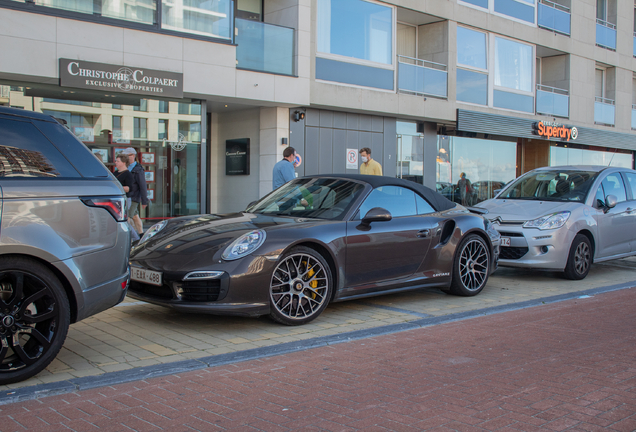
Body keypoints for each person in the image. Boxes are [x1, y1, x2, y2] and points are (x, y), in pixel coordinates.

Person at [121, 147, 148, 236]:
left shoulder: (138, 170)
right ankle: (141, 235)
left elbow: (143, 185)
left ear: (133, 156)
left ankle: (132, 238)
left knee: (127, 218)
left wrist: (144, 200)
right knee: (135, 217)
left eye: (127, 156)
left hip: (134, 197)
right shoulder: (125, 167)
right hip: (127, 196)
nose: (125, 158)